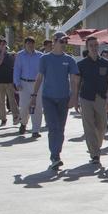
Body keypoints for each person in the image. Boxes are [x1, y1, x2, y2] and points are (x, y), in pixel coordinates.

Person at [31, 31, 80, 170]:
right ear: (55, 41)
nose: (64, 44)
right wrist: (33, 96)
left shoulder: (69, 60)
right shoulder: (45, 59)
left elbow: (74, 80)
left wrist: (73, 97)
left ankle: (57, 152)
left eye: (66, 42)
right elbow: (39, 77)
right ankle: (55, 156)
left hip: (64, 98)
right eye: (62, 41)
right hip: (48, 98)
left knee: (60, 128)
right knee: (53, 127)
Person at [76, 36, 108, 165]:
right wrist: (74, 99)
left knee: (102, 126)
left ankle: (96, 146)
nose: (93, 48)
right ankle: (95, 154)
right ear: (87, 47)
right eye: (91, 45)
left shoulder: (106, 63)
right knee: (89, 126)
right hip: (86, 97)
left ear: (99, 46)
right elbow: (77, 83)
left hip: (101, 98)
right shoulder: (81, 64)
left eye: (95, 45)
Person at [14, 37, 43, 137]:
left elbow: (43, 71)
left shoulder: (40, 56)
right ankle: (23, 123)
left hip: (37, 83)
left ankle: (35, 130)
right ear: (25, 44)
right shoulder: (20, 55)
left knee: (37, 107)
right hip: (24, 83)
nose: (30, 45)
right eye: (28, 43)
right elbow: (17, 69)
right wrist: (17, 83)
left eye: (32, 43)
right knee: (24, 106)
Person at [0, 38, 18, 127]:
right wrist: (2, 52)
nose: (4, 46)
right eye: (2, 44)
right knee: (1, 100)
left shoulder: (10, 55)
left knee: (12, 100)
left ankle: (16, 116)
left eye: (5, 44)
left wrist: (15, 56)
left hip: (9, 80)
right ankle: (3, 118)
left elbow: (15, 65)